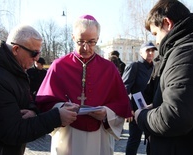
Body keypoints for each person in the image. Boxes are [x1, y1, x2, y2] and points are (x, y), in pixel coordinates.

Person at [36, 14, 131, 155]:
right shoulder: (59, 66)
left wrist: (106, 112)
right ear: (73, 38)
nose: (86, 48)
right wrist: (61, 109)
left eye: (91, 42)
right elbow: (44, 102)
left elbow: (121, 105)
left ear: (98, 39)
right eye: (81, 41)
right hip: (67, 135)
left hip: (99, 136)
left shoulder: (109, 68)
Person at [134, 0, 193, 155]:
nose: (156, 42)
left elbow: (176, 117)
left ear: (167, 23)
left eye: (156, 33)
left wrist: (142, 116)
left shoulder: (189, 53)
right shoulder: (190, 49)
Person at [0, 24, 79, 155]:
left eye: (39, 53)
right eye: (34, 53)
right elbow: (12, 132)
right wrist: (56, 117)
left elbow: (26, 102)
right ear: (15, 49)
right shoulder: (3, 77)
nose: (37, 58)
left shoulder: (17, 70)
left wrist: (33, 112)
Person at [122, 42, 157, 155]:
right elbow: (123, 90)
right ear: (141, 52)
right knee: (134, 140)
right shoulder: (134, 66)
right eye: (148, 50)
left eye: (153, 50)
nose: (151, 53)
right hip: (136, 110)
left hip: (153, 110)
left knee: (153, 141)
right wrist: (129, 108)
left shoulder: (157, 67)